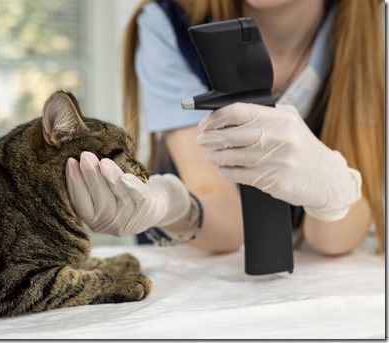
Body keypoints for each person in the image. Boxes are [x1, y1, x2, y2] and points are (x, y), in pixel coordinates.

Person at [65, 0, 385, 256]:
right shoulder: (169, 23)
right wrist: (169, 205)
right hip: (195, 272)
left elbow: (335, 241)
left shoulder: (369, 27)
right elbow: (227, 226)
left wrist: (333, 191)